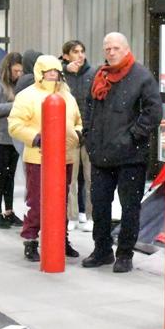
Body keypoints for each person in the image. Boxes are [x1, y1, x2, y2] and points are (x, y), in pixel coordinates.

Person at [81, 32, 162, 273]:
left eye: (116, 48)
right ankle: (102, 250)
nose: (111, 52)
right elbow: (88, 106)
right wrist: (89, 134)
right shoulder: (99, 76)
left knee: (129, 208)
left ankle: (125, 253)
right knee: (100, 205)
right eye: (107, 49)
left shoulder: (142, 77)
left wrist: (132, 136)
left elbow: (154, 112)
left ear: (126, 50)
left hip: (131, 157)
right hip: (100, 155)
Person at [8, 55, 82, 262]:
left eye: (56, 72)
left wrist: (78, 134)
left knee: (61, 201)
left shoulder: (68, 96)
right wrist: (36, 138)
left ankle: (60, 238)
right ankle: (31, 240)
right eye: (49, 71)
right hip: (38, 158)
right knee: (37, 201)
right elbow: (15, 124)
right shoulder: (27, 96)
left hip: (65, 157)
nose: (53, 75)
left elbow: (77, 120)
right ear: (40, 73)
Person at [0, 52, 24, 229]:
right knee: (0, 173)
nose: (19, 75)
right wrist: (15, 106)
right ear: (8, 69)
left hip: (14, 137)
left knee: (10, 175)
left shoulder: (20, 85)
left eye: (21, 71)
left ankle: (9, 211)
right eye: (16, 71)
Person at [61, 39, 96, 233]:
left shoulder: (92, 74)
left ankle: (90, 215)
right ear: (66, 56)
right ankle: (72, 215)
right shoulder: (61, 77)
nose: (80, 55)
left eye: (82, 51)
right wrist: (65, 71)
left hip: (89, 132)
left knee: (91, 178)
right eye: (75, 52)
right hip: (70, 133)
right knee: (70, 178)